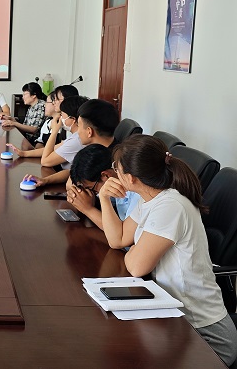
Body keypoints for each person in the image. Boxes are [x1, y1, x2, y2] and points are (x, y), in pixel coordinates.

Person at [100, 135, 237, 366]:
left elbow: (136, 267)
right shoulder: (149, 198)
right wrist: (104, 198)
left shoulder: (171, 206)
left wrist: (135, 249)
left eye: (117, 168)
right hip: (174, 318)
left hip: (206, 336)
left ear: (131, 178)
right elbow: (118, 239)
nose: (115, 173)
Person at [67, 144, 139, 229]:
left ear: (106, 175)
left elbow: (122, 232)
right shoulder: (116, 181)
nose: (94, 193)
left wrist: (88, 209)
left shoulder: (136, 190)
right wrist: (79, 196)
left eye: (91, 189)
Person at [21, 95, 89, 187]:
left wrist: (54, 131)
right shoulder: (75, 136)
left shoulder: (77, 140)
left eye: (62, 115)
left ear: (73, 119)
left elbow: (45, 161)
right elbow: (54, 148)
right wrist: (24, 153)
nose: (60, 118)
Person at [6, 84, 79, 158]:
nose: (54, 103)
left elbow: (49, 157)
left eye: (57, 99)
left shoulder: (69, 126)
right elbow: (45, 144)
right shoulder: (51, 121)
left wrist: (54, 131)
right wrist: (25, 153)